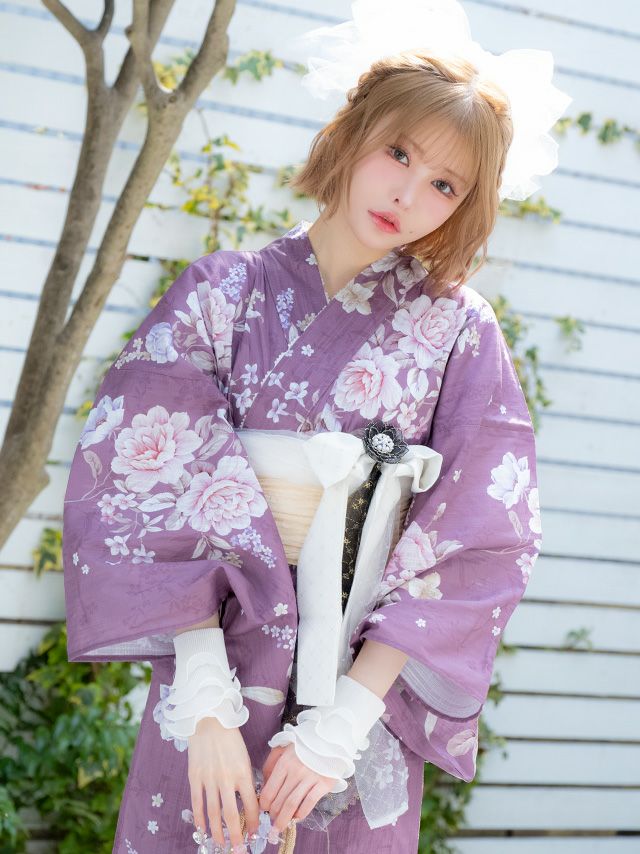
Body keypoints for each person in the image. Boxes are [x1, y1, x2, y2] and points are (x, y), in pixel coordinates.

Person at [62, 2, 570, 851]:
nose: (408, 194)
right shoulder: (222, 293)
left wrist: (347, 720)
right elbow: (149, 485)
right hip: (214, 675)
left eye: (444, 185)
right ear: (352, 131)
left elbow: (480, 537)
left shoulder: (460, 332)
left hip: (357, 693)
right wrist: (205, 704)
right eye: (398, 152)